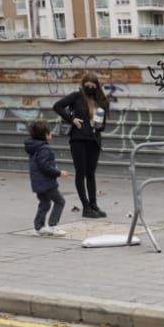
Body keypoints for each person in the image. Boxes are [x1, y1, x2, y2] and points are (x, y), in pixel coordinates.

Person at [52, 71, 111, 219]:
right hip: (78, 140)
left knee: (91, 174)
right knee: (81, 173)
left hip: (94, 140)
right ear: (83, 85)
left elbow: (103, 124)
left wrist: (100, 126)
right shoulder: (77, 96)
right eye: (87, 85)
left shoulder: (101, 101)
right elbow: (58, 106)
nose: (90, 88)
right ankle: (85, 207)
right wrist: (72, 119)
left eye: (93, 85)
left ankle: (93, 205)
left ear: (97, 86)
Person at [24, 120, 68, 237]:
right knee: (60, 201)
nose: (51, 134)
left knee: (44, 203)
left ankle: (39, 227)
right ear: (45, 135)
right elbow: (45, 166)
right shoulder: (44, 148)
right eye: (50, 132)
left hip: (37, 182)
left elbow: (41, 164)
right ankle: (53, 226)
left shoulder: (34, 146)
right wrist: (58, 172)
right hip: (46, 182)